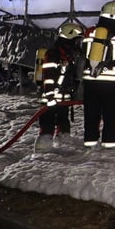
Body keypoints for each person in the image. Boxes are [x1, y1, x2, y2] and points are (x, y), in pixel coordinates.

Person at [80, 0, 115, 148]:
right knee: (110, 115)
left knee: (91, 114)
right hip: (111, 85)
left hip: (90, 82)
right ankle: (109, 143)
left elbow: (83, 53)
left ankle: (90, 142)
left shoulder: (89, 32)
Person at [35, 21, 84, 151]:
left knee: (63, 120)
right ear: (68, 38)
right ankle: (43, 146)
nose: (77, 44)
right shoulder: (53, 54)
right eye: (75, 40)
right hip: (51, 97)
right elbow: (49, 77)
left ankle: (63, 140)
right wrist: (50, 96)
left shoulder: (68, 55)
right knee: (47, 122)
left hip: (63, 97)